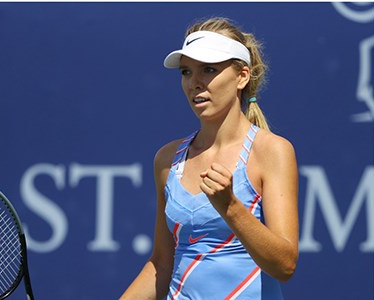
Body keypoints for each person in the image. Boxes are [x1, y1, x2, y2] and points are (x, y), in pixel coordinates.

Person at [121, 17, 299, 300]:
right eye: (186, 72)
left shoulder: (272, 151)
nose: (195, 83)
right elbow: (161, 265)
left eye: (208, 69)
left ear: (242, 76)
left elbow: (285, 265)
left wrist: (230, 207)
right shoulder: (167, 159)